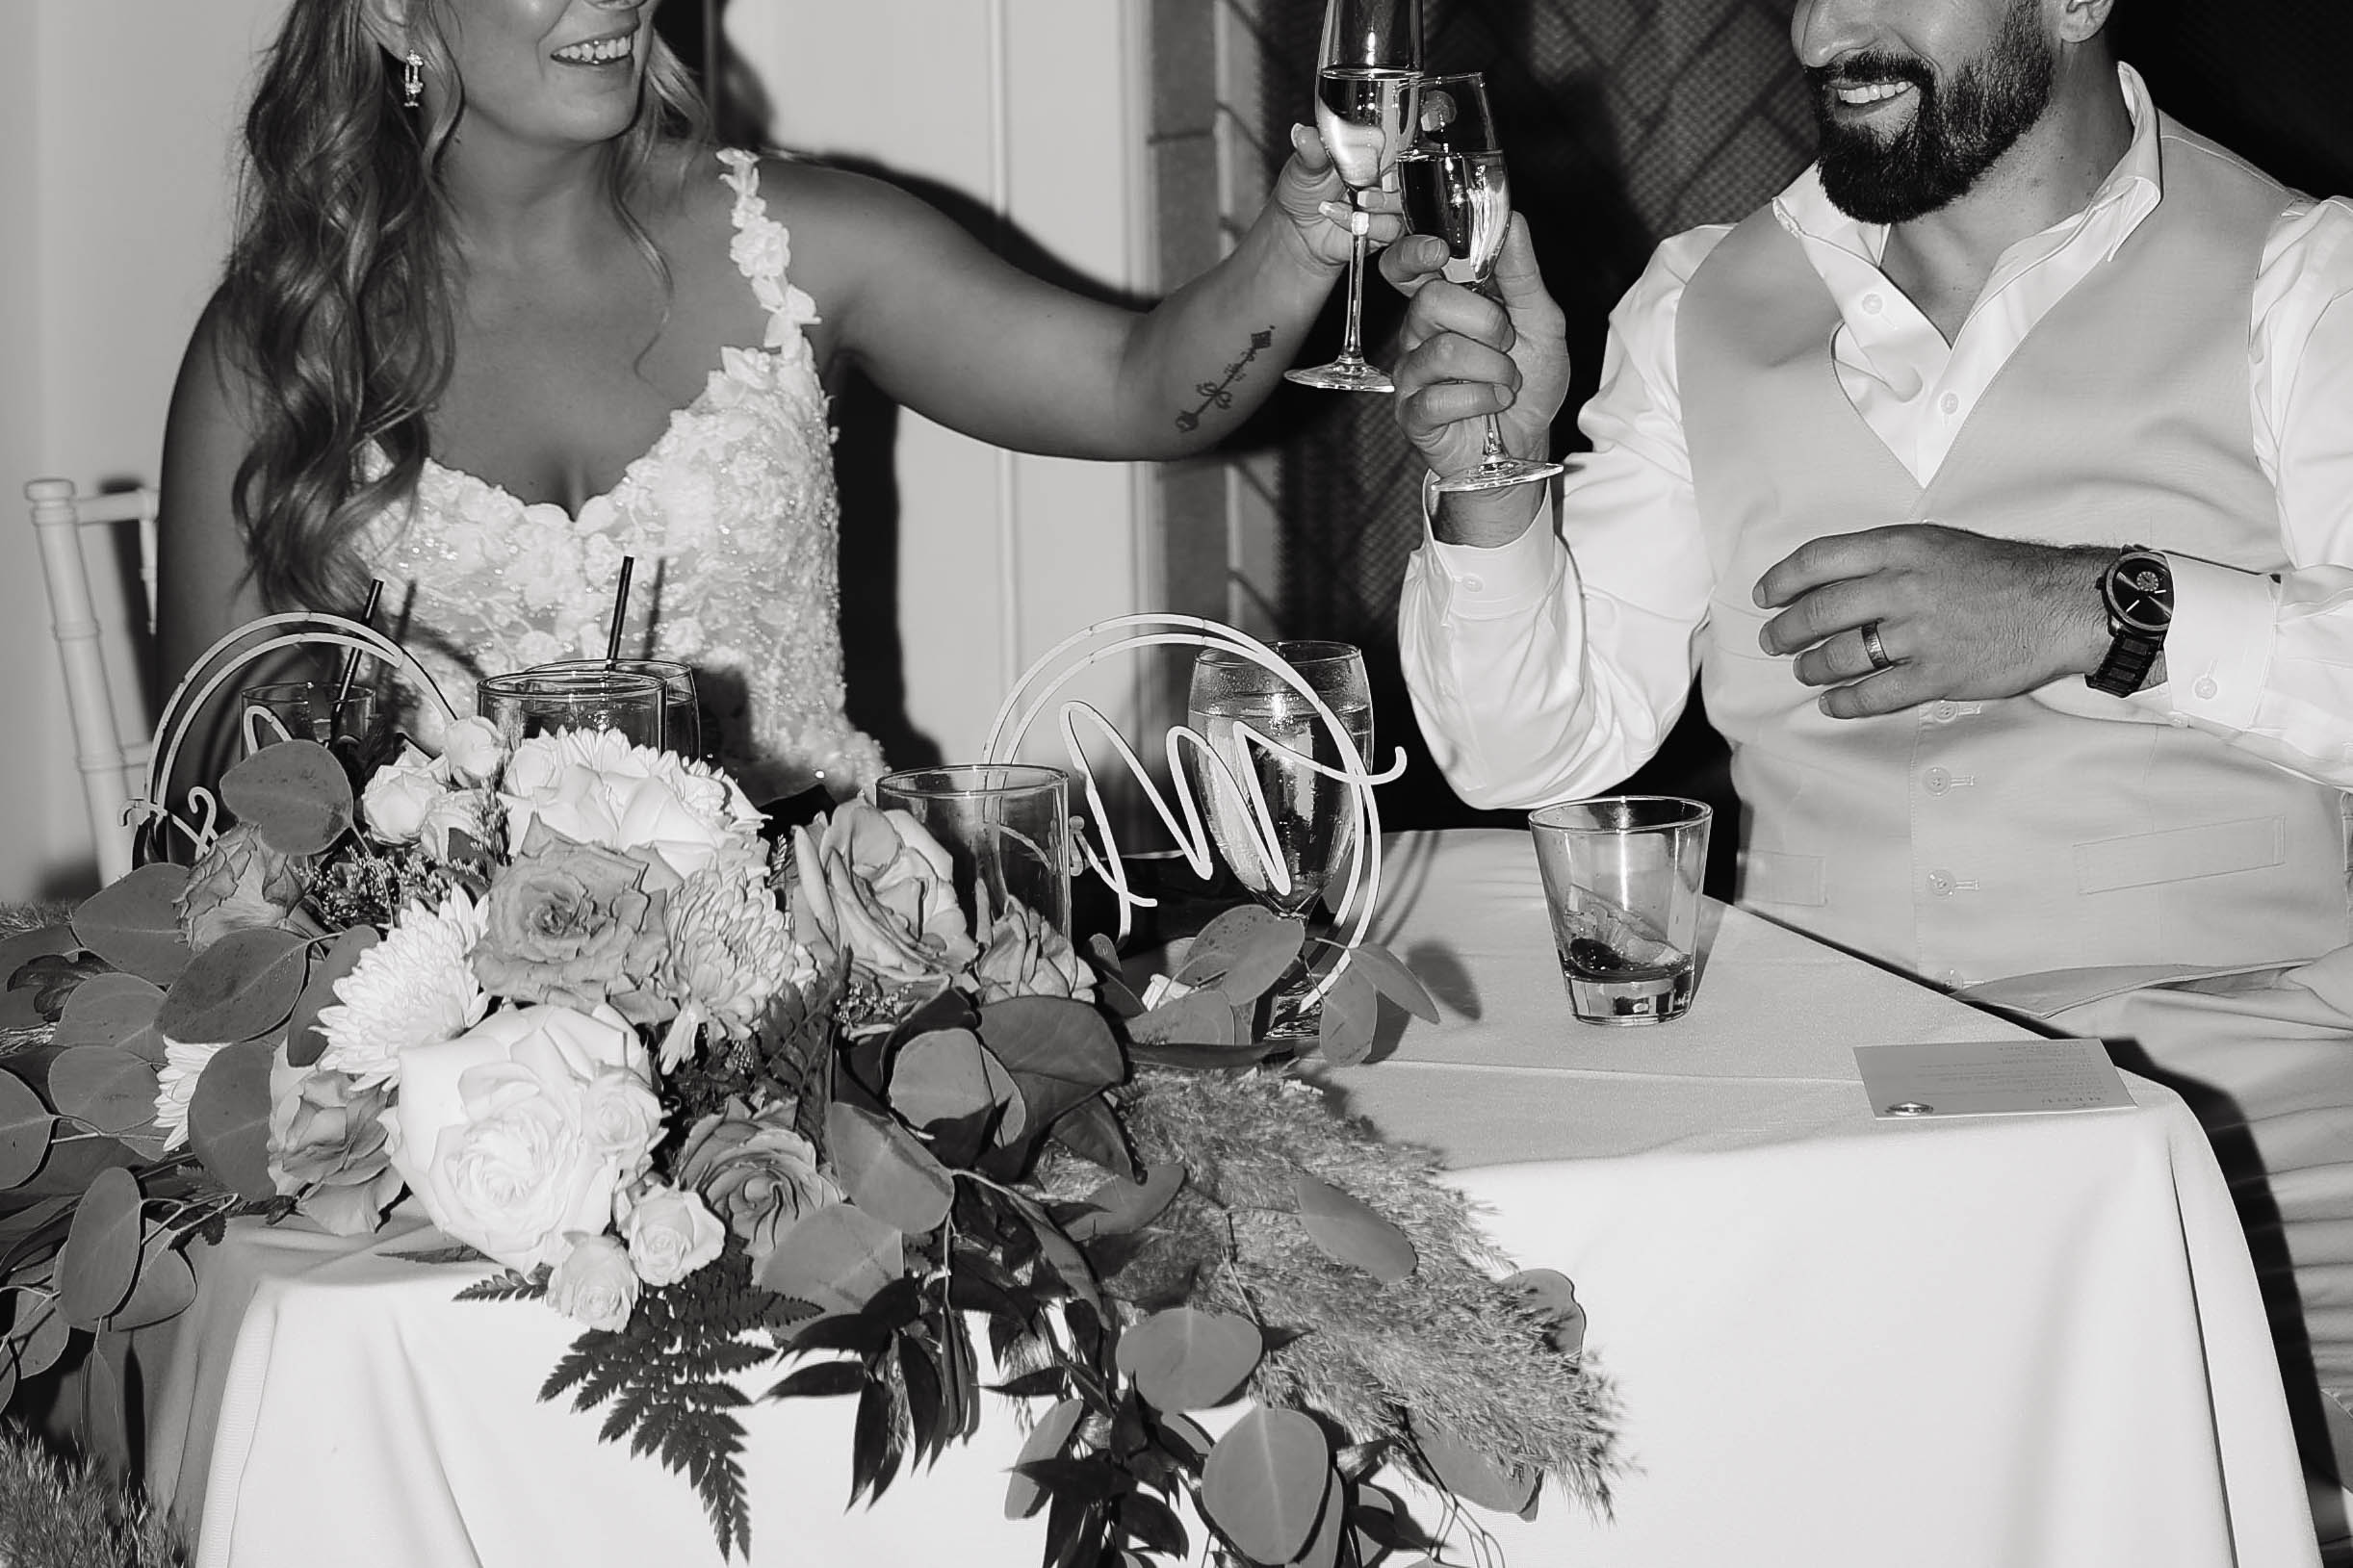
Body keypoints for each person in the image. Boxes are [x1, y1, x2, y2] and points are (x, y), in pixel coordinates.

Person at [1382, 0, 2353, 1519]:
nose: (1830, 29)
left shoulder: (2309, 276)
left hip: (2249, 1157)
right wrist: (1490, 473)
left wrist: (2100, 610)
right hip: (1839, 1135)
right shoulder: (1700, 300)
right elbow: (1531, 743)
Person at [158, 0, 1389, 804]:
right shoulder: (281, 346)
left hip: (819, 965)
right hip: (450, 1051)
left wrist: (1295, 243)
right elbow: (213, 784)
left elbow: (1138, 392)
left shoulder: (798, 239)